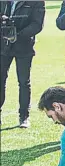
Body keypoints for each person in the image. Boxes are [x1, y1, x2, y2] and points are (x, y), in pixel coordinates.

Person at [0, 0, 45, 128]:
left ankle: (24, 116)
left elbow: (37, 25)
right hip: (3, 47)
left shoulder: (37, 2)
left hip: (24, 47)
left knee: (24, 82)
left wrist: (17, 35)